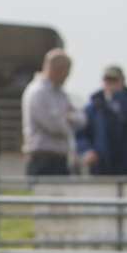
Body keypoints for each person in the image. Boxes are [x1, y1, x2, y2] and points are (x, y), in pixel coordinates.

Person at [76, 65, 127, 176]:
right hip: (103, 166)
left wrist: (119, 98)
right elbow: (81, 133)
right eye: (107, 80)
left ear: (122, 81)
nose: (110, 84)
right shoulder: (94, 106)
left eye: (114, 80)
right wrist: (87, 150)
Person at [21, 48, 80, 177]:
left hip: (60, 159)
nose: (67, 76)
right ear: (57, 69)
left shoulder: (61, 94)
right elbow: (53, 125)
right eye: (67, 72)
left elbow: (81, 118)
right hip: (42, 160)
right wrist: (67, 122)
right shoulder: (37, 92)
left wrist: (64, 119)